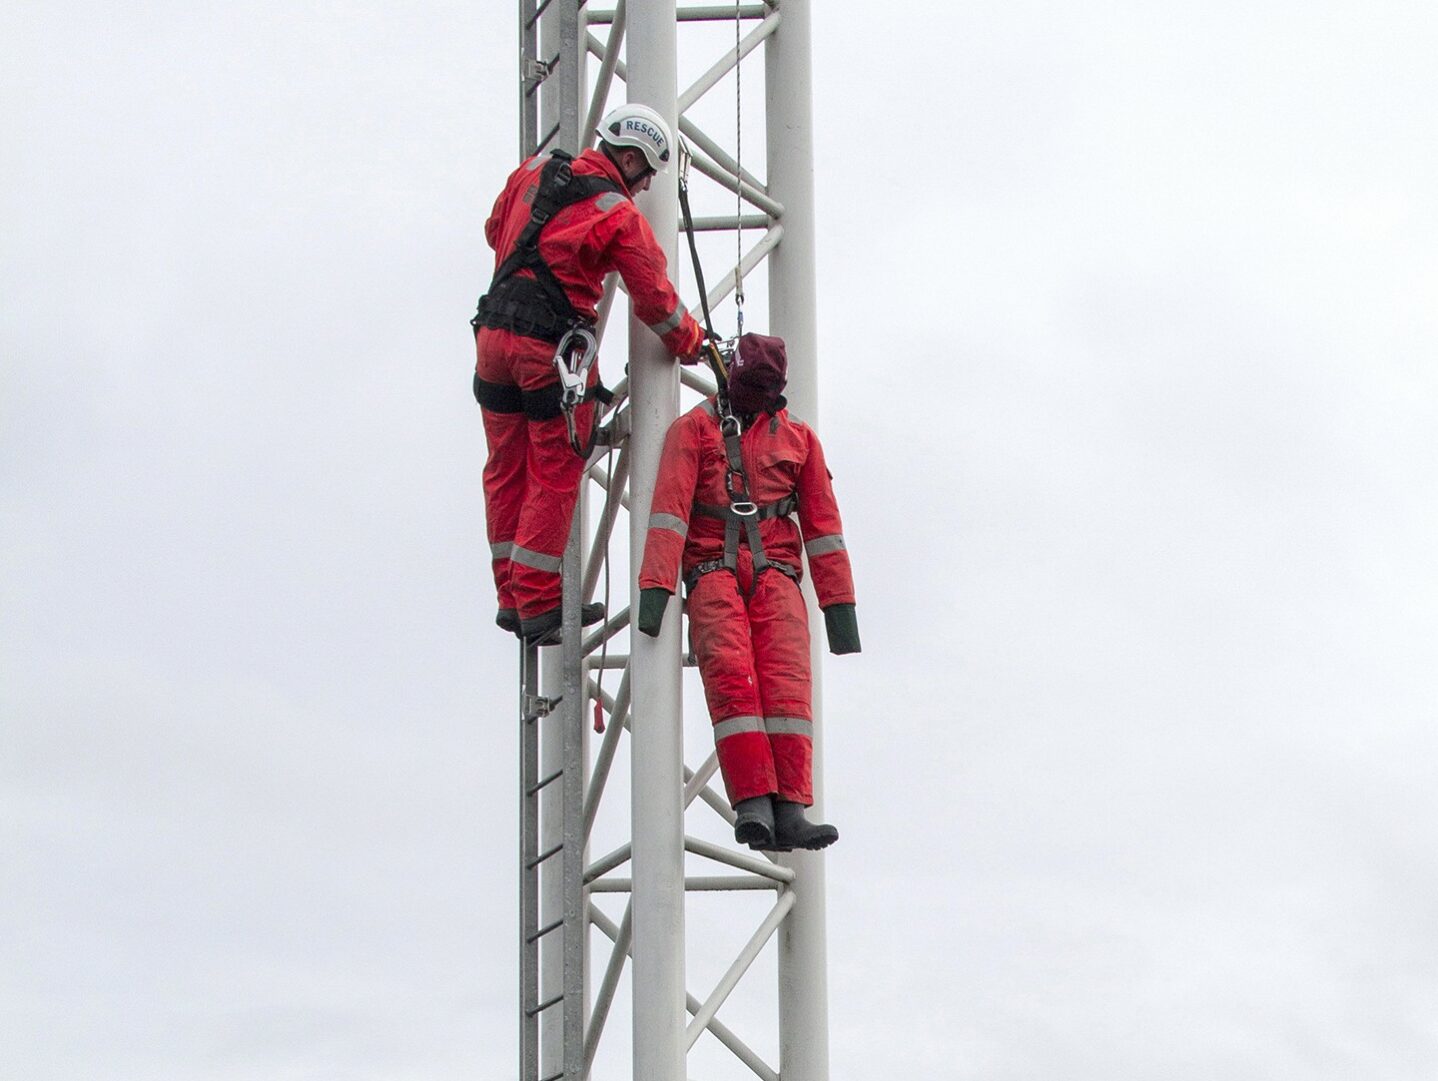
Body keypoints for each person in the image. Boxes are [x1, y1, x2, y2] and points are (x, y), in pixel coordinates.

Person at [473, 103, 705, 643]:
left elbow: (494, 230)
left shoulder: (533, 171)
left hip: (492, 339)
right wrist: (693, 343)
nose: (646, 186)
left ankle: (511, 599)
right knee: (554, 469)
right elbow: (657, 303)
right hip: (547, 351)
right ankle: (536, 608)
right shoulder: (617, 215)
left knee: (505, 467)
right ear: (628, 158)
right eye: (645, 173)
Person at [636, 333, 860, 851]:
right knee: (733, 679)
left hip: (777, 573)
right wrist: (656, 593)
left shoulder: (799, 440)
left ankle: (791, 809)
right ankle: (753, 803)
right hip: (713, 570)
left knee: (787, 685)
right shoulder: (693, 431)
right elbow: (669, 515)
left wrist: (839, 611)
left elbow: (824, 529)